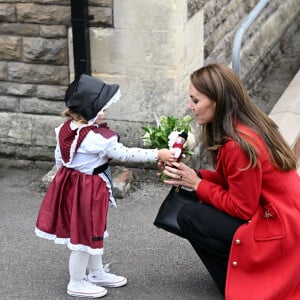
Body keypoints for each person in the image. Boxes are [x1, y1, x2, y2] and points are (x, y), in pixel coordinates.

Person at [160, 63, 300, 299]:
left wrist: (197, 185)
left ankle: (236, 283)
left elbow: (242, 208)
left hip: (279, 228)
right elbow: (236, 181)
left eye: (195, 100)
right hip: (285, 217)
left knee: (188, 215)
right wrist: (193, 175)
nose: (190, 106)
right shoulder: (246, 124)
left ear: (217, 100)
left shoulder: (237, 145)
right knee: (198, 206)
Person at [35, 74, 176, 298]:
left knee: (92, 231)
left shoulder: (65, 129)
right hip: (88, 191)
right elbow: (126, 153)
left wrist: (69, 177)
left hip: (74, 186)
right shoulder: (97, 139)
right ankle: (76, 282)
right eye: (102, 109)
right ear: (89, 112)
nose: (106, 112)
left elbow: (60, 159)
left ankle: (96, 272)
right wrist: (157, 153)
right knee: (82, 237)